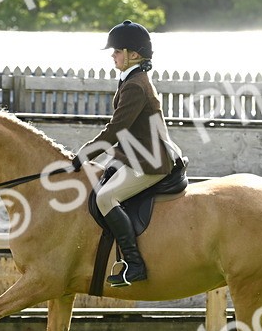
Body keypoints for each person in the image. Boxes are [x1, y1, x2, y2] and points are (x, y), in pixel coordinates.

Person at [78, 20, 183, 287]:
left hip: (150, 161)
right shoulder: (132, 79)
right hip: (133, 154)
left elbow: (116, 129)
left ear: (133, 55)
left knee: (105, 197)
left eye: (116, 51)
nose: (112, 55)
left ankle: (135, 265)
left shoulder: (135, 85)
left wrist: (86, 154)